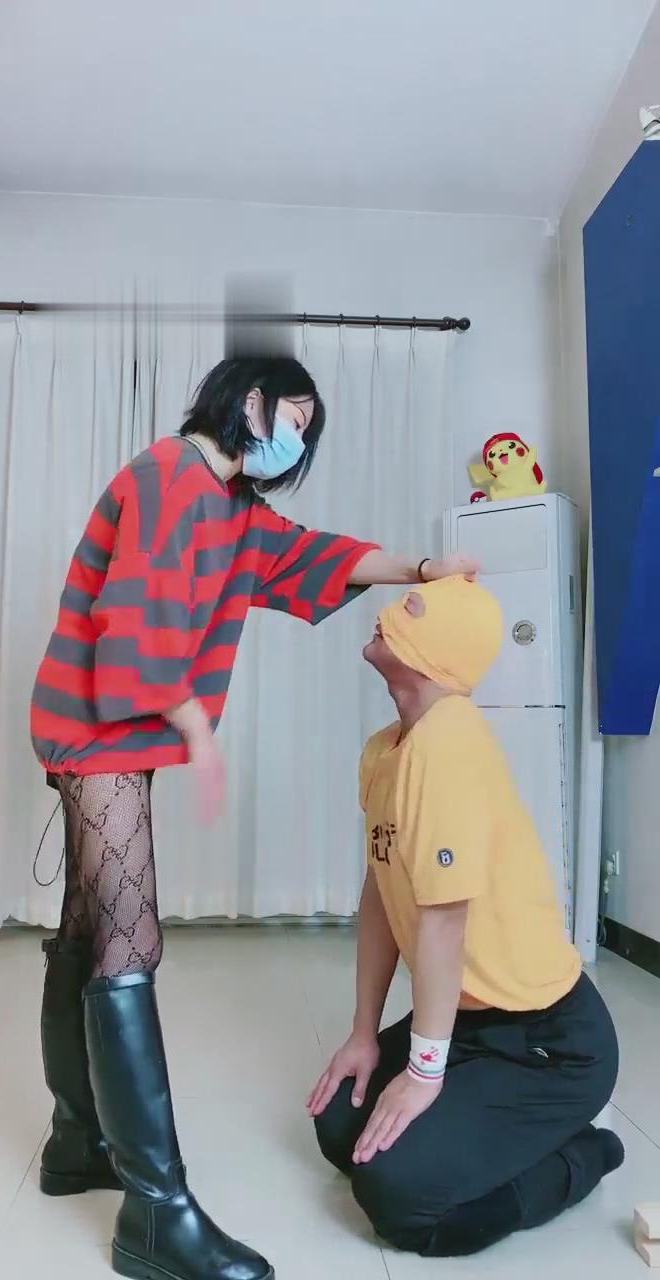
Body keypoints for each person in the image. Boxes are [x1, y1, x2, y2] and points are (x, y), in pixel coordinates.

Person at [31, 353, 476, 1280]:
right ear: (247, 400)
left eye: (309, 430)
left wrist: (425, 567)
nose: (296, 441)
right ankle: (156, 1214)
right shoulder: (168, 477)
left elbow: (317, 556)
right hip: (96, 728)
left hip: (110, 732)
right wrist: (195, 725)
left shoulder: (233, 508)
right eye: (293, 418)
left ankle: (77, 1144)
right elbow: (136, 617)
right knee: (128, 942)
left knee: (85, 929)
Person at [309, 576, 624, 1258]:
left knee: (397, 1198)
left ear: (440, 649)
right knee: (338, 1125)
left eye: (412, 608)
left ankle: (584, 1153)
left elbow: (443, 922)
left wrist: (424, 1074)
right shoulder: (388, 749)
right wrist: (363, 1034)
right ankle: (502, 1125)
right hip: (469, 1023)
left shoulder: (449, 739)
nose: (389, 611)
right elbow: (381, 892)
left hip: (550, 1045)